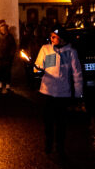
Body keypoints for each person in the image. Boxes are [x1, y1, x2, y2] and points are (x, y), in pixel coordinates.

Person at [34, 25, 83, 161]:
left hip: (62, 94)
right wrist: (37, 71)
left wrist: (78, 94)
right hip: (47, 92)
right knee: (48, 121)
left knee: (61, 123)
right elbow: (39, 66)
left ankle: (60, 147)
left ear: (62, 38)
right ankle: (48, 143)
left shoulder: (71, 52)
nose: (52, 38)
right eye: (51, 36)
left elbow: (77, 74)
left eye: (54, 36)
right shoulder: (46, 49)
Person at [0, 19, 16, 92]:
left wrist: (11, 54)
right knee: (0, 70)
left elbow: (13, 46)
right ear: (0, 29)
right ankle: (0, 83)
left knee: (7, 70)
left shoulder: (10, 36)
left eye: (4, 28)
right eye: (2, 28)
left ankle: (7, 84)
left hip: (7, 57)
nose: (3, 30)